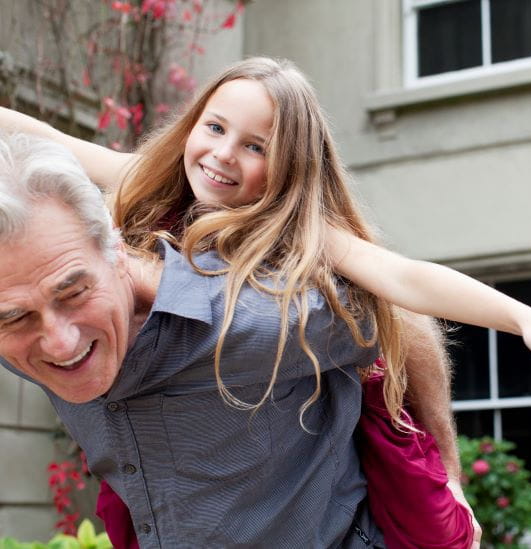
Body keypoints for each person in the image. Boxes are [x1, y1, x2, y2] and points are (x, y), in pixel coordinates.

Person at [1, 57, 531, 546]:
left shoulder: (301, 232)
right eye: (215, 127)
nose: (223, 154)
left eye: (256, 145)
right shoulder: (148, 178)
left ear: (289, 166)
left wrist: (520, 316)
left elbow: (406, 282)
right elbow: (46, 137)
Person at [0, 132, 451, 547]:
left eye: (74, 293)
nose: (59, 343)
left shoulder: (256, 317)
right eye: (15, 317)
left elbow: (400, 313)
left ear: (115, 252)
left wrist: (448, 472)